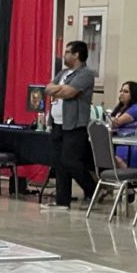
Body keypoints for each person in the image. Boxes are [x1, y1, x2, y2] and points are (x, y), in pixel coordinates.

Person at [44, 40, 97, 207]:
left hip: (74, 125)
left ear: (76, 55)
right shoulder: (63, 73)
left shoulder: (86, 74)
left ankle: (93, 188)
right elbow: (47, 88)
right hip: (58, 124)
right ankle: (62, 201)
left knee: (70, 161)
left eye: (67, 52)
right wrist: (60, 89)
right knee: (59, 164)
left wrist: (59, 90)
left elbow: (69, 93)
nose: (64, 55)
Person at [108, 79, 137, 167]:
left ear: (133, 94)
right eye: (121, 91)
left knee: (108, 155)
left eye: (125, 92)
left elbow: (117, 122)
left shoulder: (136, 109)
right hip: (117, 141)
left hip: (131, 145)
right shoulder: (120, 107)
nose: (121, 93)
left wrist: (111, 119)